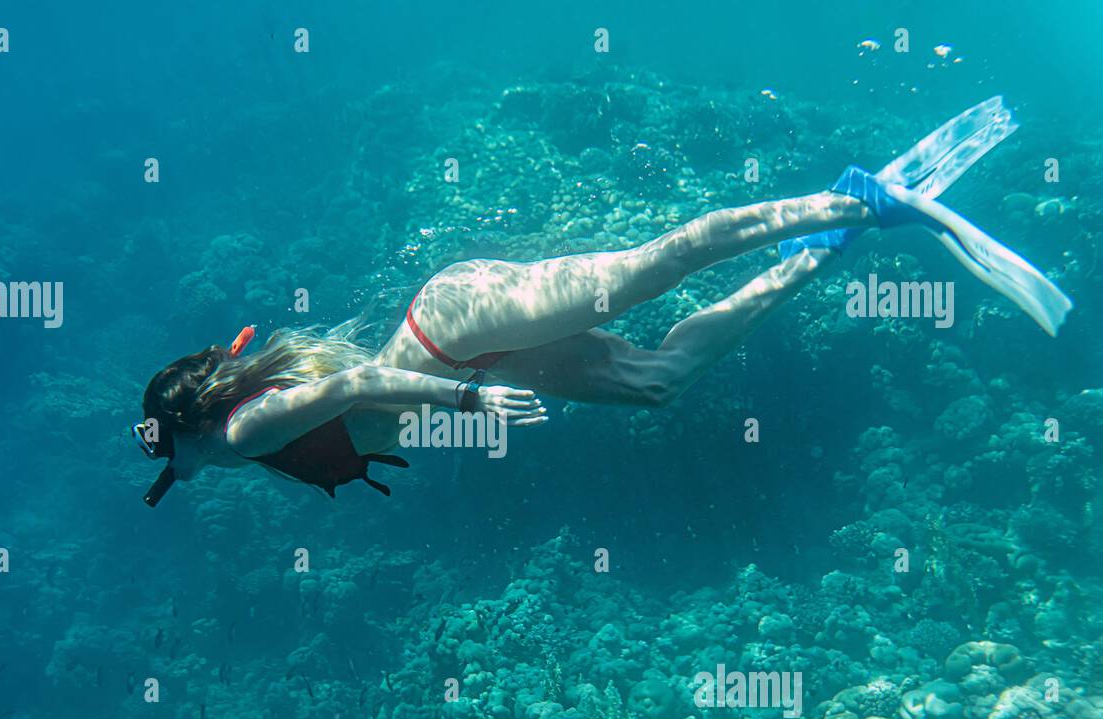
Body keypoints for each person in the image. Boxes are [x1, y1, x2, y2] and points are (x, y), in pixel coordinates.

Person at [133, 97, 1068, 507]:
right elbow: (324, 407)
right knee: (657, 381)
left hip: (455, 333)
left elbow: (355, 387)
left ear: (186, 424)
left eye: (161, 451)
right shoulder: (209, 448)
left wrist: (466, 402)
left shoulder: (241, 437)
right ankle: (831, 241)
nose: (171, 471)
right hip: (468, 351)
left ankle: (851, 196)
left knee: (642, 273)